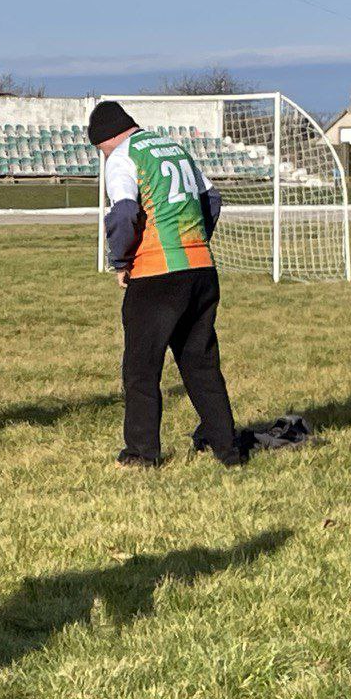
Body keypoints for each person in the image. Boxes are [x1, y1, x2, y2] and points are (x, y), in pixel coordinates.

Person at [92, 100, 244, 468]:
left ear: (104, 142)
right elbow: (212, 197)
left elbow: (125, 212)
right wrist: (196, 240)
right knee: (201, 363)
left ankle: (142, 454)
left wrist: (121, 260)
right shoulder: (174, 148)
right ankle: (227, 449)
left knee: (141, 369)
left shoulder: (122, 157)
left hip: (157, 274)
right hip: (202, 269)